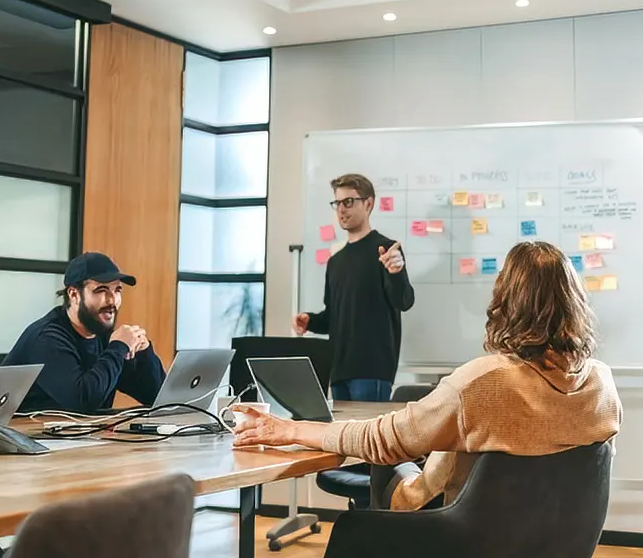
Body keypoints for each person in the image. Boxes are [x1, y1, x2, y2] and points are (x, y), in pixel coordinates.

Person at [241, 241, 622, 511]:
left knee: (390, 459)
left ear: (506, 301)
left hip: (450, 532)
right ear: (575, 300)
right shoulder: (601, 384)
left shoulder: (484, 381)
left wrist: (291, 430)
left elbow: (380, 441)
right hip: (552, 538)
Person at [294, 173, 414, 402]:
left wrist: (397, 272)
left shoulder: (386, 250)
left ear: (368, 204)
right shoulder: (335, 261)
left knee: (370, 427)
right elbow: (333, 318)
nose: (341, 209)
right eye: (337, 203)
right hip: (338, 370)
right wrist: (310, 321)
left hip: (372, 370)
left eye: (348, 202)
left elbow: (404, 301)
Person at [0, 252, 165, 414]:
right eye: (101, 290)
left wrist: (144, 353)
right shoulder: (47, 338)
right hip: (21, 431)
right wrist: (117, 347)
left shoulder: (104, 337)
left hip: (79, 431)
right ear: (74, 294)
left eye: (117, 290)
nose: (112, 300)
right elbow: (83, 401)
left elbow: (157, 398)